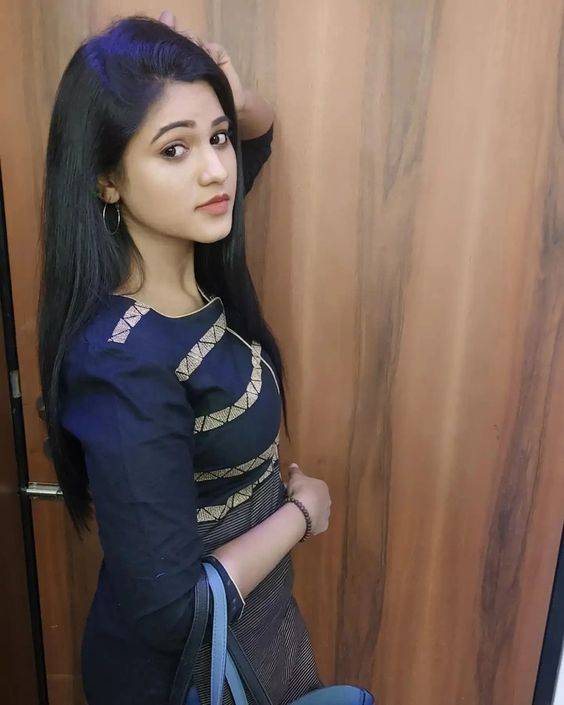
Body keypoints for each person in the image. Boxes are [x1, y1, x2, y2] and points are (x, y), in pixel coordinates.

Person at [37, 13, 332, 705]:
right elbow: (171, 614)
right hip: (180, 677)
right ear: (107, 179)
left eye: (216, 138)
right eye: (174, 149)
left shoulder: (196, 244)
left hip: (250, 638)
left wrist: (227, 94)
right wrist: (301, 512)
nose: (215, 168)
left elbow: (258, 130)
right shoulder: (121, 361)